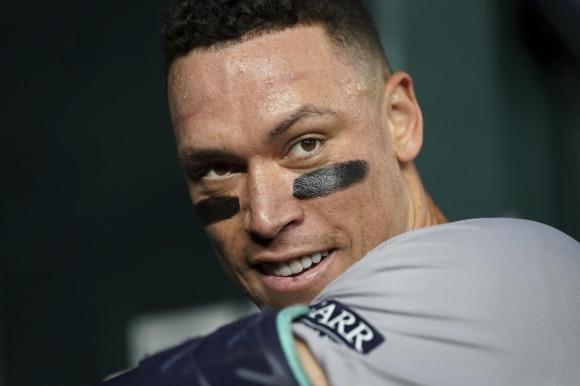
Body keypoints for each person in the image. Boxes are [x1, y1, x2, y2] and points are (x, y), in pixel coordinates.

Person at [103, 0, 580, 384]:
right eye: (218, 168)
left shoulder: (505, 269)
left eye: (305, 145)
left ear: (399, 120)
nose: (265, 218)